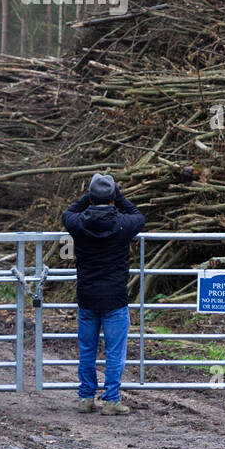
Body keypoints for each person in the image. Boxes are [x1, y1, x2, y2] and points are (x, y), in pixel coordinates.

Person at [62, 173, 145, 414]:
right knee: (114, 352)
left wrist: (88, 197)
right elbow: (139, 215)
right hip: (115, 297)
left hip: (87, 296)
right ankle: (111, 400)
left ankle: (86, 397)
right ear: (112, 199)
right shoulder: (123, 224)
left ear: (90, 198)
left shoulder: (78, 223)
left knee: (87, 349)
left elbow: (67, 213)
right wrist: (118, 197)